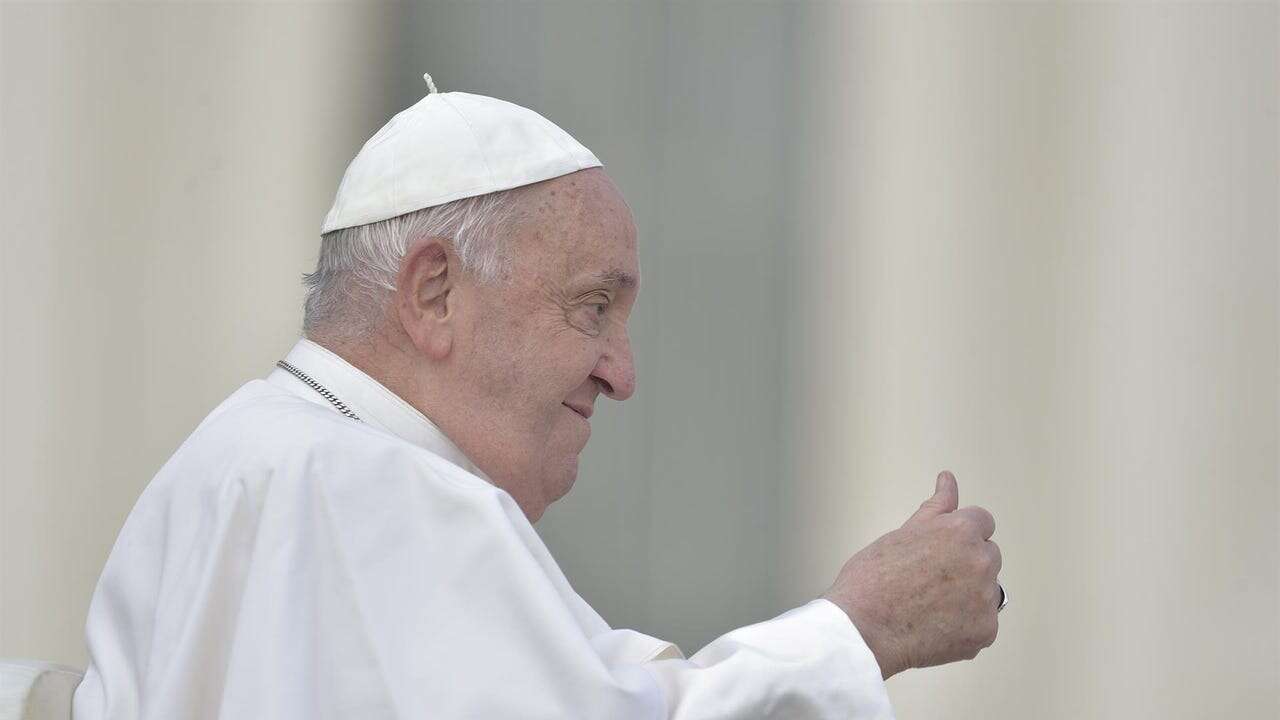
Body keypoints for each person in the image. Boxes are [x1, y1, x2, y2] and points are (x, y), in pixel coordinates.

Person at [71, 77, 1004, 719]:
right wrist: (860, 629)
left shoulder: (247, 456)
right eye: (592, 308)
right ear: (433, 293)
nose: (622, 373)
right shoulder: (366, 488)